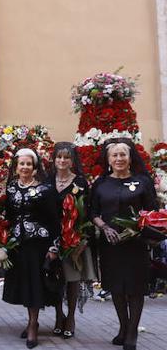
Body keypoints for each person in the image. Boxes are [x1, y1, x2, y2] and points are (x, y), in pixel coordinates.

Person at [90, 138, 158, 350]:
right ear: (108, 160)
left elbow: (153, 212)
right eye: (115, 155)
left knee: (135, 289)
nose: (119, 159)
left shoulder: (143, 182)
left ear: (130, 158)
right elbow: (93, 212)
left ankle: (131, 334)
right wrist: (104, 227)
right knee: (116, 288)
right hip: (111, 245)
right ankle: (123, 327)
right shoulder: (101, 183)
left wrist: (137, 229)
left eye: (123, 155)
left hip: (135, 244)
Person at [2, 148, 60, 349]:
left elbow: (55, 221)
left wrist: (54, 247)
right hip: (17, 245)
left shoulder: (46, 190)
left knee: (35, 283)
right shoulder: (10, 188)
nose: (25, 167)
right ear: (16, 167)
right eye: (21, 164)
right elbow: (7, 217)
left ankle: (33, 324)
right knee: (25, 284)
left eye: (29, 164)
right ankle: (30, 321)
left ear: (35, 168)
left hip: (38, 245)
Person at [48, 142, 96, 339]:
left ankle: (71, 317)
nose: (62, 161)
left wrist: (82, 239)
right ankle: (59, 315)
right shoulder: (47, 181)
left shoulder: (81, 183)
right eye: (59, 157)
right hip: (50, 238)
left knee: (72, 279)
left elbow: (87, 212)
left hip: (73, 237)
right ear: (54, 159)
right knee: (55, 278)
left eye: (66, 157)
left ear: (72, 160)